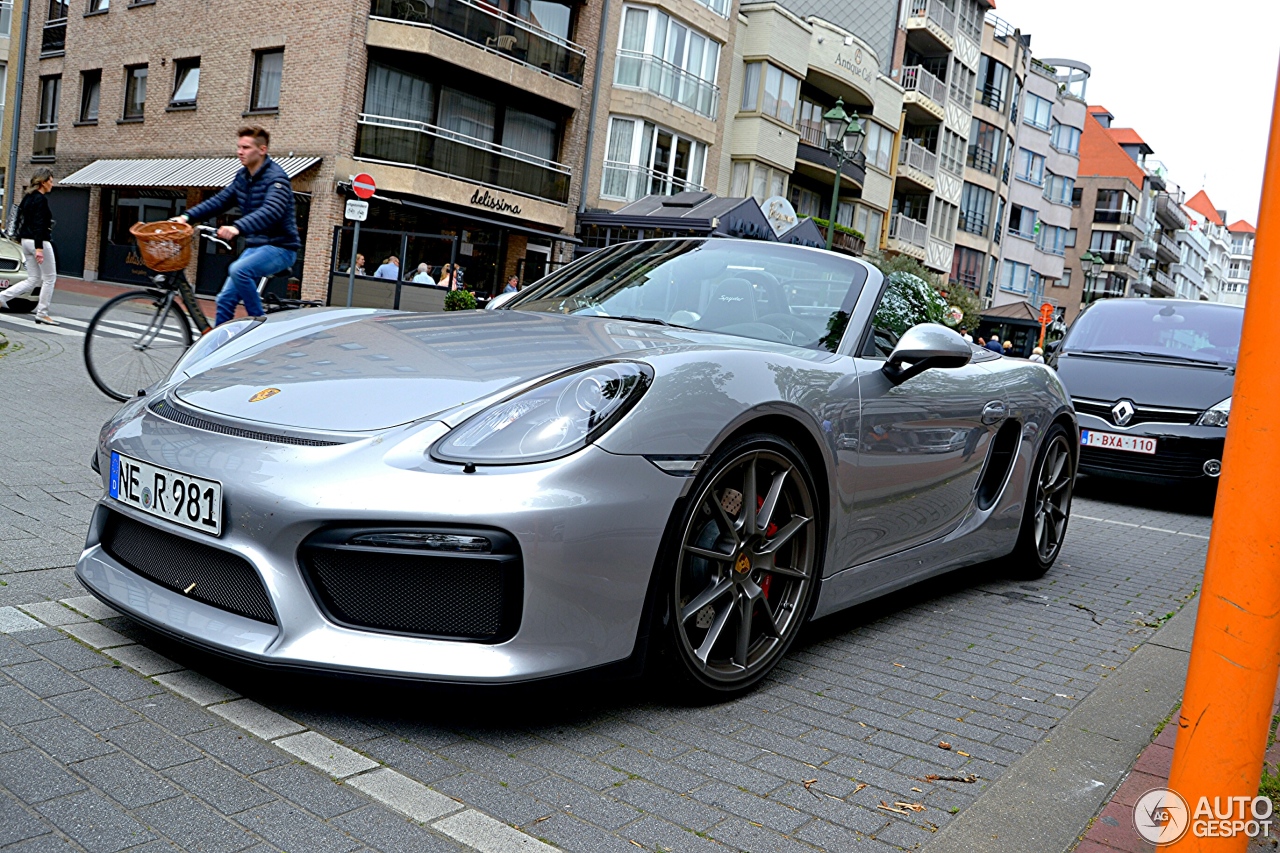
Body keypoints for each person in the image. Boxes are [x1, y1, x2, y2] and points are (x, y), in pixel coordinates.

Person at [173, 126, 299, 326]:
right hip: (255, 247)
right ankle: (220, 348)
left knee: (239, 269)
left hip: (281, 247)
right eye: (239, 147)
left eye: (246, 147)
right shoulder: (243, 178)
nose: (240, 152)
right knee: (224, 299)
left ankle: (260, 326)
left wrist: (237, 227)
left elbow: (271, 210)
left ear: (262, 149)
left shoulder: (277, 179)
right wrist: (187, 217)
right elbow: (220, 201)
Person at [0, 169, 60, 324]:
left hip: (25, 242)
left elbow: (21, 220)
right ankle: (42, 312)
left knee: (33, 279)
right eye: (50, 181)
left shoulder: (27, 198)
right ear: (42, 182)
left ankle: (1, 297)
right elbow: (38, 225)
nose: (52, 184)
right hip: (38, 242)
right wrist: (39, 248)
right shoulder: (40, 200)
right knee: (49, 278)